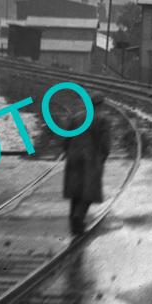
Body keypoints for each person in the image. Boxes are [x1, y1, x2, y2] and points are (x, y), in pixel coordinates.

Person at [63, 94, 113, 235]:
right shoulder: (103, 119)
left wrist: (68, 152)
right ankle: (78, 216)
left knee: (75, 190)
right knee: (89, 191)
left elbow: (66, 138)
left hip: (73, 157)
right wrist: (103, 158)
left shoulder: (76, 117)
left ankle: (74, 222)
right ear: (100, 105)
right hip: (91, 159)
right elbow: (105, 144)